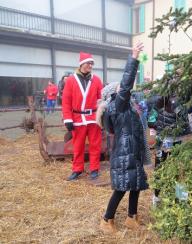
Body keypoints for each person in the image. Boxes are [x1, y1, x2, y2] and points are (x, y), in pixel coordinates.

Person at [98, 43, 149, 234]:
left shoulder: (126, 106)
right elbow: (127, 83)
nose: (125, 90)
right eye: (120, 89)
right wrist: (134, 57)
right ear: (114, 94)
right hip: (124, 152)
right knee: (121, 188)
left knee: (136, 184)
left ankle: (131, 217)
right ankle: (106, 219)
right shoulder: (117, 105)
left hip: (132, 151)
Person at [62, 52, 103, 181]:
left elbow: (101, 99)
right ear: (81, 64)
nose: (90, 66)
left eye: (91, 63)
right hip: (77, 119)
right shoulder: (70, 80)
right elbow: (66, 101)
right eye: (88, 63)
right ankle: (77, 169)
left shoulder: (96, 80)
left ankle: (94, 169)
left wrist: (101, 116)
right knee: (78, 146)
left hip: (93, 118)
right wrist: (68, 118)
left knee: (95, 145)